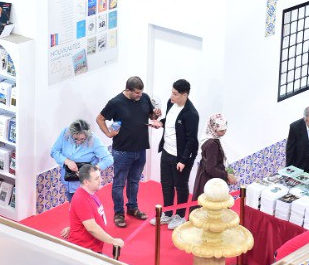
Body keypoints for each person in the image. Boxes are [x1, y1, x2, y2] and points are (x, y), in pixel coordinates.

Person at [96, 76, 161, 228]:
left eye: (141, 92)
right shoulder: (116, 102)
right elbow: (100, 119)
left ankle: (132, 207)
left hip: (140, 149)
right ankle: (119, 213)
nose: (140, 95)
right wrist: (107, 133)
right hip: (122, 151)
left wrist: (156, 115)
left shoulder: (144, 98)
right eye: (137, 93)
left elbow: (151, 115)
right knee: (119, 184)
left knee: (134, 181)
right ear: (128, 90)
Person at [154, 79, 199, 230]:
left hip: (181, 157)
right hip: (167, 151)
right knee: (166, 185)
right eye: (171, 92)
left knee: (180, 185)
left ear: (184, 95)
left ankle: (180, 215)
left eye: (175, 94)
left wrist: (183, 160)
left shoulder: (191, 114)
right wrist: (161, 122)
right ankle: (167, 213)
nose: (171, 96)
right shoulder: (170, 103)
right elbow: (170, 120)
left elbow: (191, 140)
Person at [61, 164, 125, 254]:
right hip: (85, 251)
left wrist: (75, 226)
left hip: (91, 248)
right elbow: (92, 228)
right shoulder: (81, 199)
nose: (101, 180)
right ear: (86, 182)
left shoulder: (90, 193)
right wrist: (112, 240)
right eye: (96, 178)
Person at [50, 119, 113, 202]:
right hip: (69, 180)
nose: (78, 142)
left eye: (82, 139)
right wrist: (67, 161)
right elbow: (54, 151)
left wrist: (92, 170)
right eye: (75, 139)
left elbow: (109, 159)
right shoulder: (65, 133)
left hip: (86, 184)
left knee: (85, 210)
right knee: (73, 207)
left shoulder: (94, 140)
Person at [192, 114, 237, 205]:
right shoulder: (212, 144)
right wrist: (227, 175)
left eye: (225, 129)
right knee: (211, 209)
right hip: (210, 181)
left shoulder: (210, 138)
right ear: (213, 128)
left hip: (205, 176)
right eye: (221, 130)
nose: (224, 132)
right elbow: (210, 169)